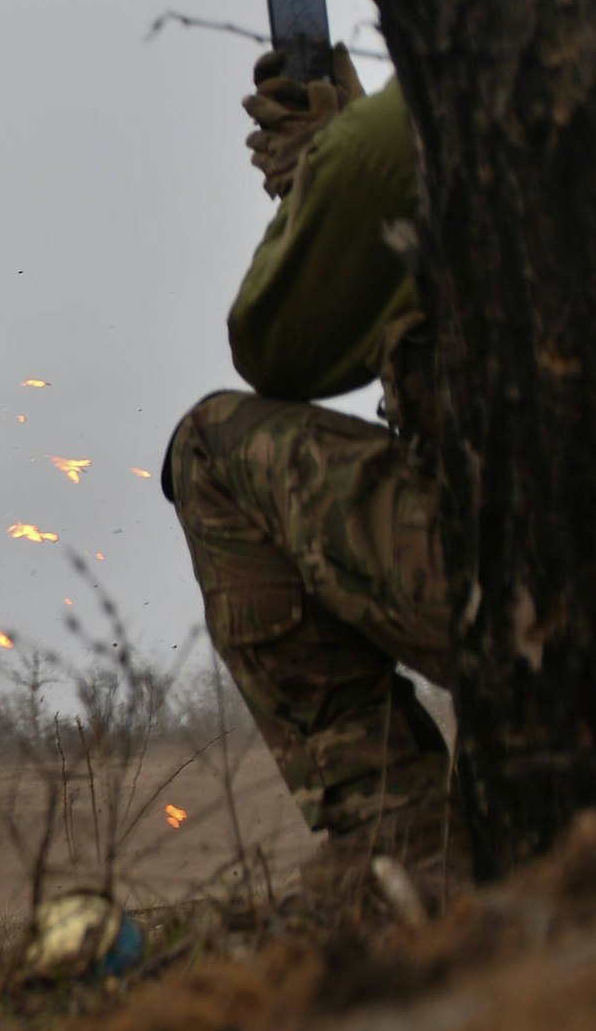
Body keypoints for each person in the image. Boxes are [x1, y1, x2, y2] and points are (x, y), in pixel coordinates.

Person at [162, 45, 468, 896]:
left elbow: (278, 343)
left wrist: (326, 177)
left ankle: (402, 845)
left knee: (211, 448)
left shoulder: (435, 107)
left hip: (533, 583)